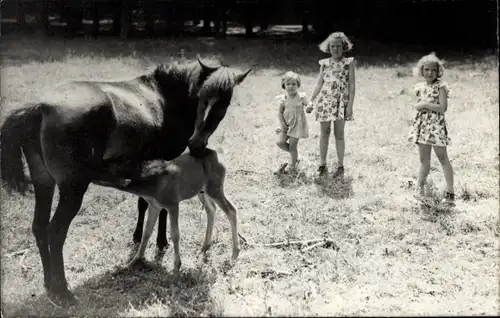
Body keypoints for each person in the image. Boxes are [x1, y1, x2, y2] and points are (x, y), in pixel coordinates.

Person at [306, 31, 356, 178]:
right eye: (332, 46)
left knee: (339, 134)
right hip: (325, 101)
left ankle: (340, 165)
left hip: (341, 102)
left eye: (339, 46)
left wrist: (350, 106)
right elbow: (319, 84)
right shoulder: (325, 64)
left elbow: (352, 86)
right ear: (328, 47)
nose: (336, 49)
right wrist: (311, 100)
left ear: (344, 46)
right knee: (324, 133)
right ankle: (322, 164)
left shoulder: (349, 63)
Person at [408, 52, 455, 205]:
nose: (430, 73)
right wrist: (419, 105)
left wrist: (426, 105)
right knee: (423, 160)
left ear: (438, 71)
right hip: (423, 127)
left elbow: (443, 108)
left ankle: (450, 192)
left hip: (436, 128)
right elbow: (416, 104)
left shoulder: (440, 87)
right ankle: (419, 188)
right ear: (422, 70)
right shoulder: (420, 87)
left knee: (442, 158)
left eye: (433, 70)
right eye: (426, 70)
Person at [275, 71, 310, 174]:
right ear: (284, 85)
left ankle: (293, 166)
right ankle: (295, 156)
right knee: (280, 142)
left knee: (293, 146)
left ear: (298, 85)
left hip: (297, 125)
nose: (291, 86)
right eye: (288, 84)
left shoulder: (301, 97)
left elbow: (308, 106)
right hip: (286, 125)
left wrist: (309, 108)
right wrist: (282, 125)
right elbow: (280, 113)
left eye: (294, 84)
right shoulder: (283, 99)